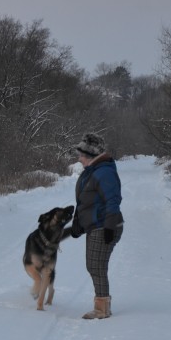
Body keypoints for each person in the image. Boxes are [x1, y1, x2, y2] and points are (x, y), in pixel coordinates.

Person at [69, 133, 124, 319]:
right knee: (94, 265)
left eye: (81, 155)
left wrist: (109, 227)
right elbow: (84, 200)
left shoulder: (104, 172)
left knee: (96, 266)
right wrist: (77, 222)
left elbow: (113, 201)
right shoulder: (91, 172)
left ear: (91, 156)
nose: (79, 159)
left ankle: (102, 308)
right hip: (96, 226)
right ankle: (102, 305)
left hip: (105, 225)